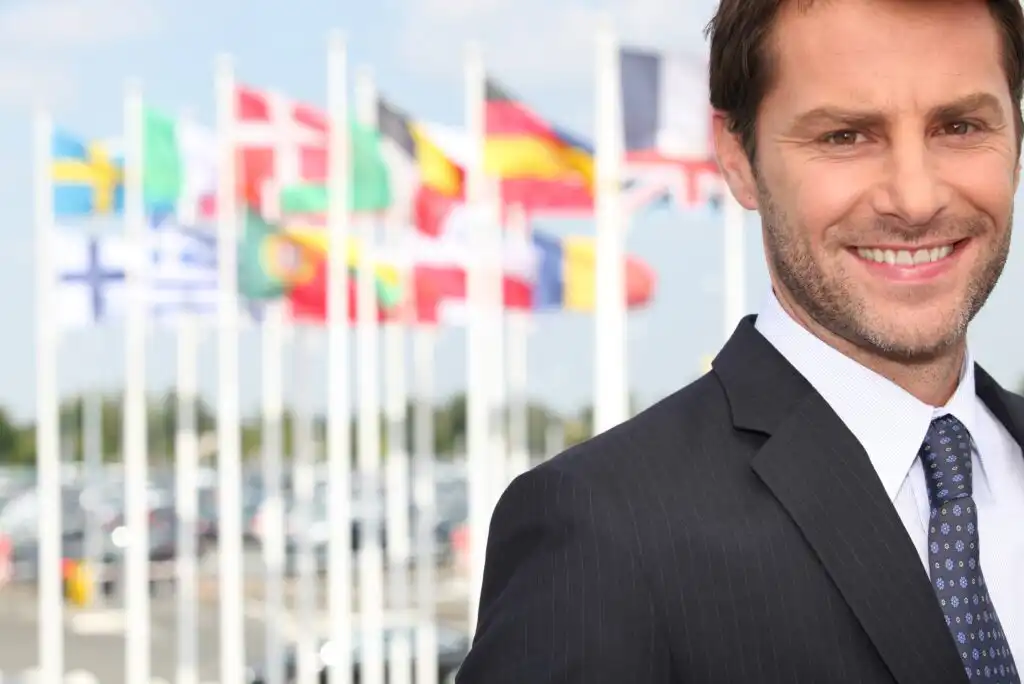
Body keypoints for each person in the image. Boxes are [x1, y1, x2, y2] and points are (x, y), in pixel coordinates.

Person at [454, 0, 1024, 682]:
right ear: (737, 159)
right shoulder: (604, 535)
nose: (915, 196)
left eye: (959, 126)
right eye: (845, 136)